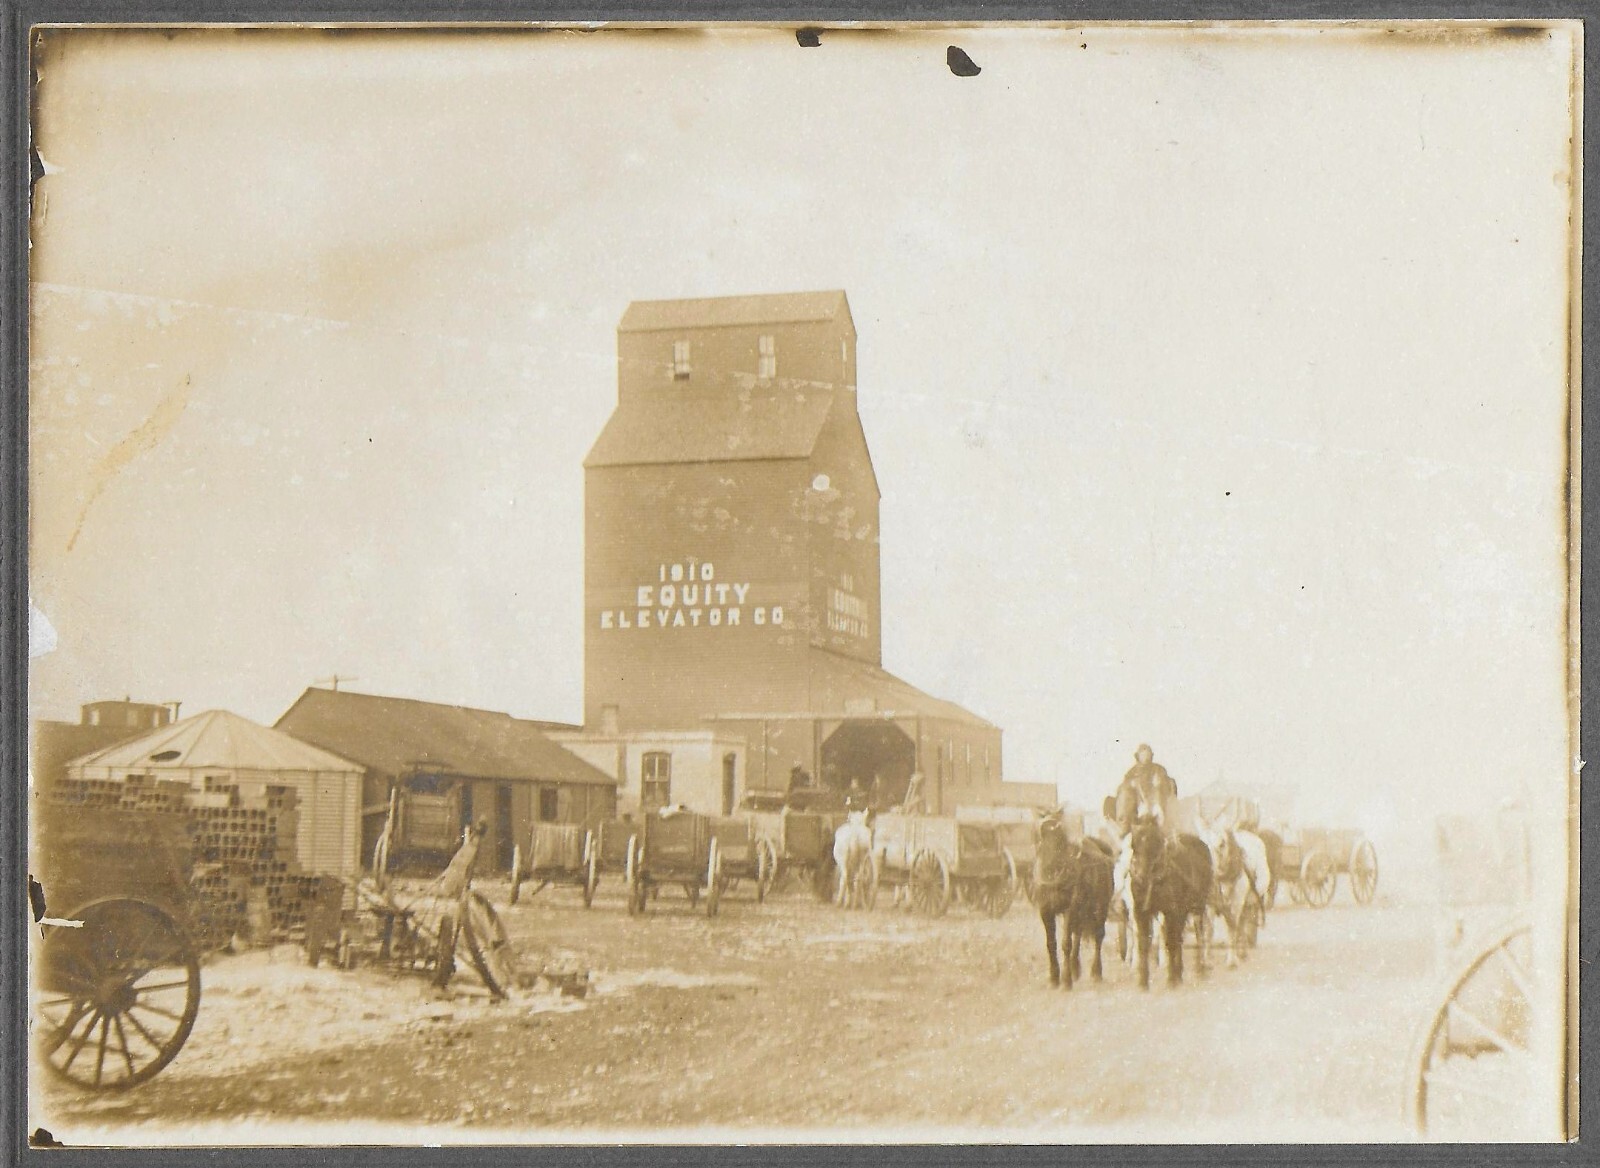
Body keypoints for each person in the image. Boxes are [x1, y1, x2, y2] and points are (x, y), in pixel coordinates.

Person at [1112, 744, 1177, 835]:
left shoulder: (1158, 769)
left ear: (1151, 755)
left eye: (1148, 754)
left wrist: (1160, 783)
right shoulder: (1132, 772)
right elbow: (1122, 787)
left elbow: (1169, 784)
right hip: (1137, 806)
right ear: (1138, 756)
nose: (1146, 757)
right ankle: (1125, 830)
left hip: (1157, 803)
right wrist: (1131, 784)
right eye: (1143, 754)